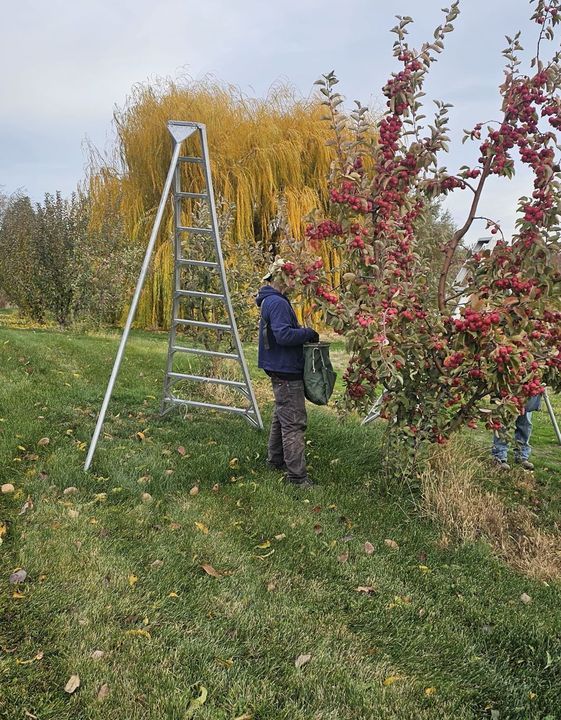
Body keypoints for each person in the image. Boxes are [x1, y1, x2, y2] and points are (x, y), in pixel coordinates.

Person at [256, 257, 319, 489]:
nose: (295, 281)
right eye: (292, 277)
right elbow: (283, 336)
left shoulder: (270, 301)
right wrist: (307, 333)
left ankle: (275, 461)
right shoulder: (279, 303)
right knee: (294, 423)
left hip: (277, 366)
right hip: (285, 367)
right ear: (281, 277)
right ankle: (297, 478)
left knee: (281, 416)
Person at [492, 394, 542, 471]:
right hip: (509, 390)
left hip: (528, 393)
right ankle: (499, 457)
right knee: (502, 423)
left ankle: (521, 456)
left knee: (525, 425)